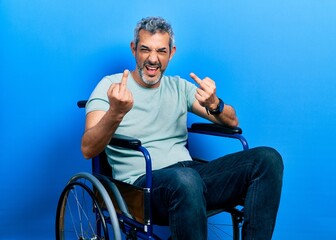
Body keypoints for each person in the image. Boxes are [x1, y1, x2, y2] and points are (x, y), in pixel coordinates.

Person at [81, 16, 284, 240]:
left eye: (161, 51)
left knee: (268, 159)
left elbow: (232, 121)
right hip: (143, 185)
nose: (152, 59)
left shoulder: (179, 87)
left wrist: (215, 104)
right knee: (186, 180)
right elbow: (88, 148)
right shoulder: (111, 87)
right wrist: (116, 112)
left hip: (190, 174)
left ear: (172, 52)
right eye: (145, 49)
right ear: (134, 49)